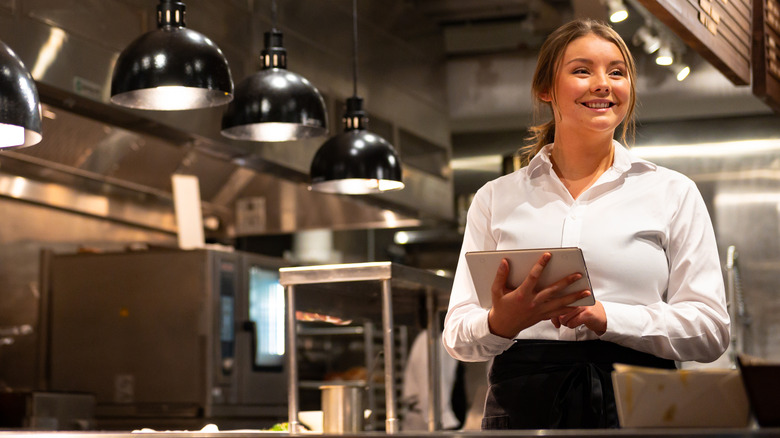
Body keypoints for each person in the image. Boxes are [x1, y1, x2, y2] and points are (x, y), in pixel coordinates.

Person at [442, 18, 730, 430]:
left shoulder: (672, 192)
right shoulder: (495, 198)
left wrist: (609, 318)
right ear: (546, 90)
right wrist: (499, 323)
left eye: (617, 72)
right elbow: (456, 334)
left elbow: (710, 330)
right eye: (582, 70)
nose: (603, 84)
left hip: (640, 406)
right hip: (522, 410)